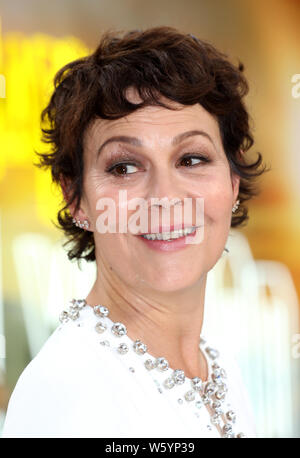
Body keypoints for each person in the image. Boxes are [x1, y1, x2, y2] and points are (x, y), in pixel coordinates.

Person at [2, 26, 267, 438]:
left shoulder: (221, 370)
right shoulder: (68, 392)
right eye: (124, 167)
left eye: (192, 159)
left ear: (232, 185)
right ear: (77, 200)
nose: (164, 196)